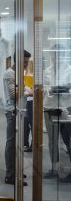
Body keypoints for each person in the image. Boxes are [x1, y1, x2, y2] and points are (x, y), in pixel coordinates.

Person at [2, 50, 31, 185]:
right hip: (12, 112)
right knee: (11, 143)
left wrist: (24, 88)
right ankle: (10, 174)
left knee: (18, 144)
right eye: (24, 62)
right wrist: (26, 89)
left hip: (20, 111)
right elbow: (14, 94)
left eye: (27, 62)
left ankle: (15, 170)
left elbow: (21, 90)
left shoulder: (19, 74)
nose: (26, 65)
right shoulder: (10, 73)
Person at [43, 45, 71, 179]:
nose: (55, 57)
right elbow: (44, 90)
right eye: (53, 54)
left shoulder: (69, 70)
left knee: (68, 140)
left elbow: (68, 88)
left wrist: (59, 89)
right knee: (52, 141)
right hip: (50, 108)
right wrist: (52, 90)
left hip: (66, 108)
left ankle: (68, 171)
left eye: (58, 54)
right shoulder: (47, 71)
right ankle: (54, 169)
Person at [23, 59, 34, 152]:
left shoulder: (30, 75)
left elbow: (30, 92)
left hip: (31, 102)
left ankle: (32, 145)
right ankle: (27, 144)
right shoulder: (27, 74)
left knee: (31, 124)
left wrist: (24, 87)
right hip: (28, 103)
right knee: (27, 124)